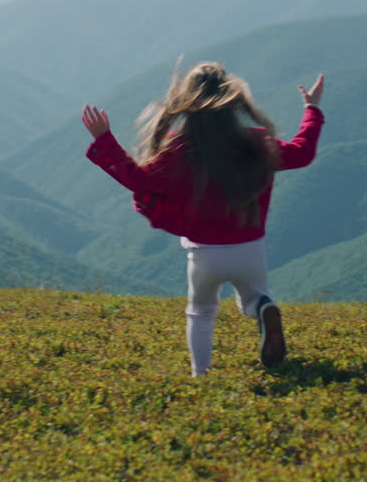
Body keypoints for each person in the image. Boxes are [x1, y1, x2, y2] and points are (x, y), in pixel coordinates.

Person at [81, 61, 325, 376]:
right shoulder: (256, 143)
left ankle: (201, 375)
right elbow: (302, 152)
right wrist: (312, 110)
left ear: (187, 102)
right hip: (249, 248)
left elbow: (137, 179)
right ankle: (261, 308)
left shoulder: (178, 150)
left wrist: (104, 140)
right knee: (254, 297)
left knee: (200, 313)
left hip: (203, 253)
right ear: (232, 99)